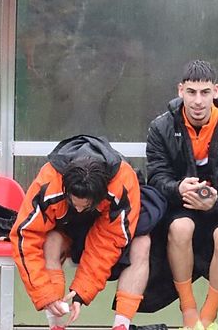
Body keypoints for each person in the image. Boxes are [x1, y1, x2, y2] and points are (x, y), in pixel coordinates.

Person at [144, 60, 218, 329]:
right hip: (181, 204)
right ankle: (188, 310)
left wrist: (216, 202)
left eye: (205, 92)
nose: (197, 101)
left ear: (215, 91)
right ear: (180, 90)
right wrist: (178, 188)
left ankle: (207, 317)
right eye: (191, 92)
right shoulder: (161, 127)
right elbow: (156, 177)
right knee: (180, 228)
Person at [11, 134, 163, 330]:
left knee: (142, 242)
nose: (79, 209)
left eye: (85, 205)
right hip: (65, 225)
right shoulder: (49, 180)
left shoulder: (122, 181)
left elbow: (109, 241)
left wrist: (82, 292)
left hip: (107, 224)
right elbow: (25, 236)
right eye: (75, 203)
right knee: (51, 241)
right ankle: (56, 323)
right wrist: (44, 293)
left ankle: (121, 325)